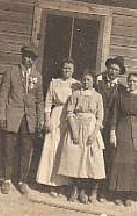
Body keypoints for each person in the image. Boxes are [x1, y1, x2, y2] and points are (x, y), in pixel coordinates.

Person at [0, 46, 44, 194]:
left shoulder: (38, 76)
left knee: (26, 150)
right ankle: (6, 180)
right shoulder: (11, 73)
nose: (28, 59)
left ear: (34, 60)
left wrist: (40, 119)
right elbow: (3, 96)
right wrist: (1, 116)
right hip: (12, 117)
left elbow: (40, 100)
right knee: (9, 149)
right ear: (22, 56)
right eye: (26, 56)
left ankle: (22, 181)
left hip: (30, 119)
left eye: (31, 57)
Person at [58, 72, 105, 204]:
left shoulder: (98, 96)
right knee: (75, 159)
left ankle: (84, 190)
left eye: (88, 80)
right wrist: (74, 131)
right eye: (84, 79)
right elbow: (70, 112)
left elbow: (100, 117)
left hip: (91, 128)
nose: (86, 82)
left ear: (93, 82)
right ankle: (75, 190)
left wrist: (94, 133)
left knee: (89, 160)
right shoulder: (75, 94)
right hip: (77, 126)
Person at [36, 58, 81, 196]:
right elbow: (48, 103)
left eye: (70, 68)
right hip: (56, 115)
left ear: (73, 70)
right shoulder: (54, 82)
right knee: (53, 148)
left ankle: (64, 184)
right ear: (61, 69)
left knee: (66, 149)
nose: (67, 71)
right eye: (65, 68)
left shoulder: (77, 84)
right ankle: (51, 183)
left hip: (70, 118)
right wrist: (47, 120)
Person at [108, 72, 137, 207]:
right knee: (120, 162)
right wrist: (113, 132)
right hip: (123, 130)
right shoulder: (121, 97)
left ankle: (128, 195)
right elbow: (114, 115)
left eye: (135, 82)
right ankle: (118, 194)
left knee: (133, 163)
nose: (132, 84)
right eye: (130, 81)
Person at [95, 56, 126, 201]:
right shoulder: (99, 83)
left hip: (113, 128)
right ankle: (91, 188)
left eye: (116, 69)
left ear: (119, 72)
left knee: (109, 158)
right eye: (111, 68)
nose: (112, 71)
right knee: (95, 156)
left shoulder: (122, 89)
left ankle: (103, 190)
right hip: (98, 125)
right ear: (107, 69)